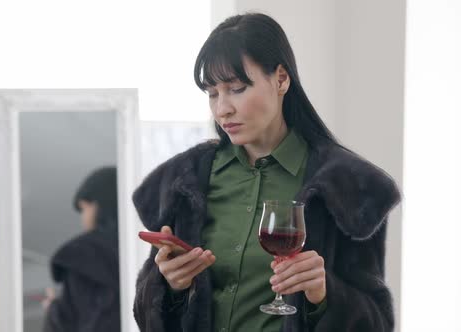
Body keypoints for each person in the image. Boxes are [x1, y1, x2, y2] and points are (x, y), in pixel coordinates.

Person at [132, 13, 401, 332]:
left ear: (281, 79)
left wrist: (323, 295)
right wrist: (169, 287)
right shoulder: (183, 180)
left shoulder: (348, 186)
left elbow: (377, 323)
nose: (222, 109)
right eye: (213, 93)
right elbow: (145, 313)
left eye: (236, 88)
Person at [43, 167, 120, 332]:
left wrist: (53, 308)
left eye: (84, 208)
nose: (83, 218)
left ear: (99, 205)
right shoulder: (144, 249)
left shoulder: (82, 254)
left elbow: (72, 323)